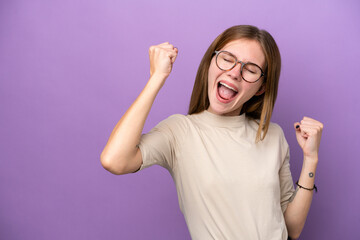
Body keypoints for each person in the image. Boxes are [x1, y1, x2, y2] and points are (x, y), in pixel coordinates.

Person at [100, 25, 323, 240]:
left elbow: (292, 229)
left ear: (261, 88)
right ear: (210, 63)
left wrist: (311, 159)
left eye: (251, 70)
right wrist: (157, 77)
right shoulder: (180, 132)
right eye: (227, 59)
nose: (235, 72)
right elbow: (114, 160)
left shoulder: (272, 135)